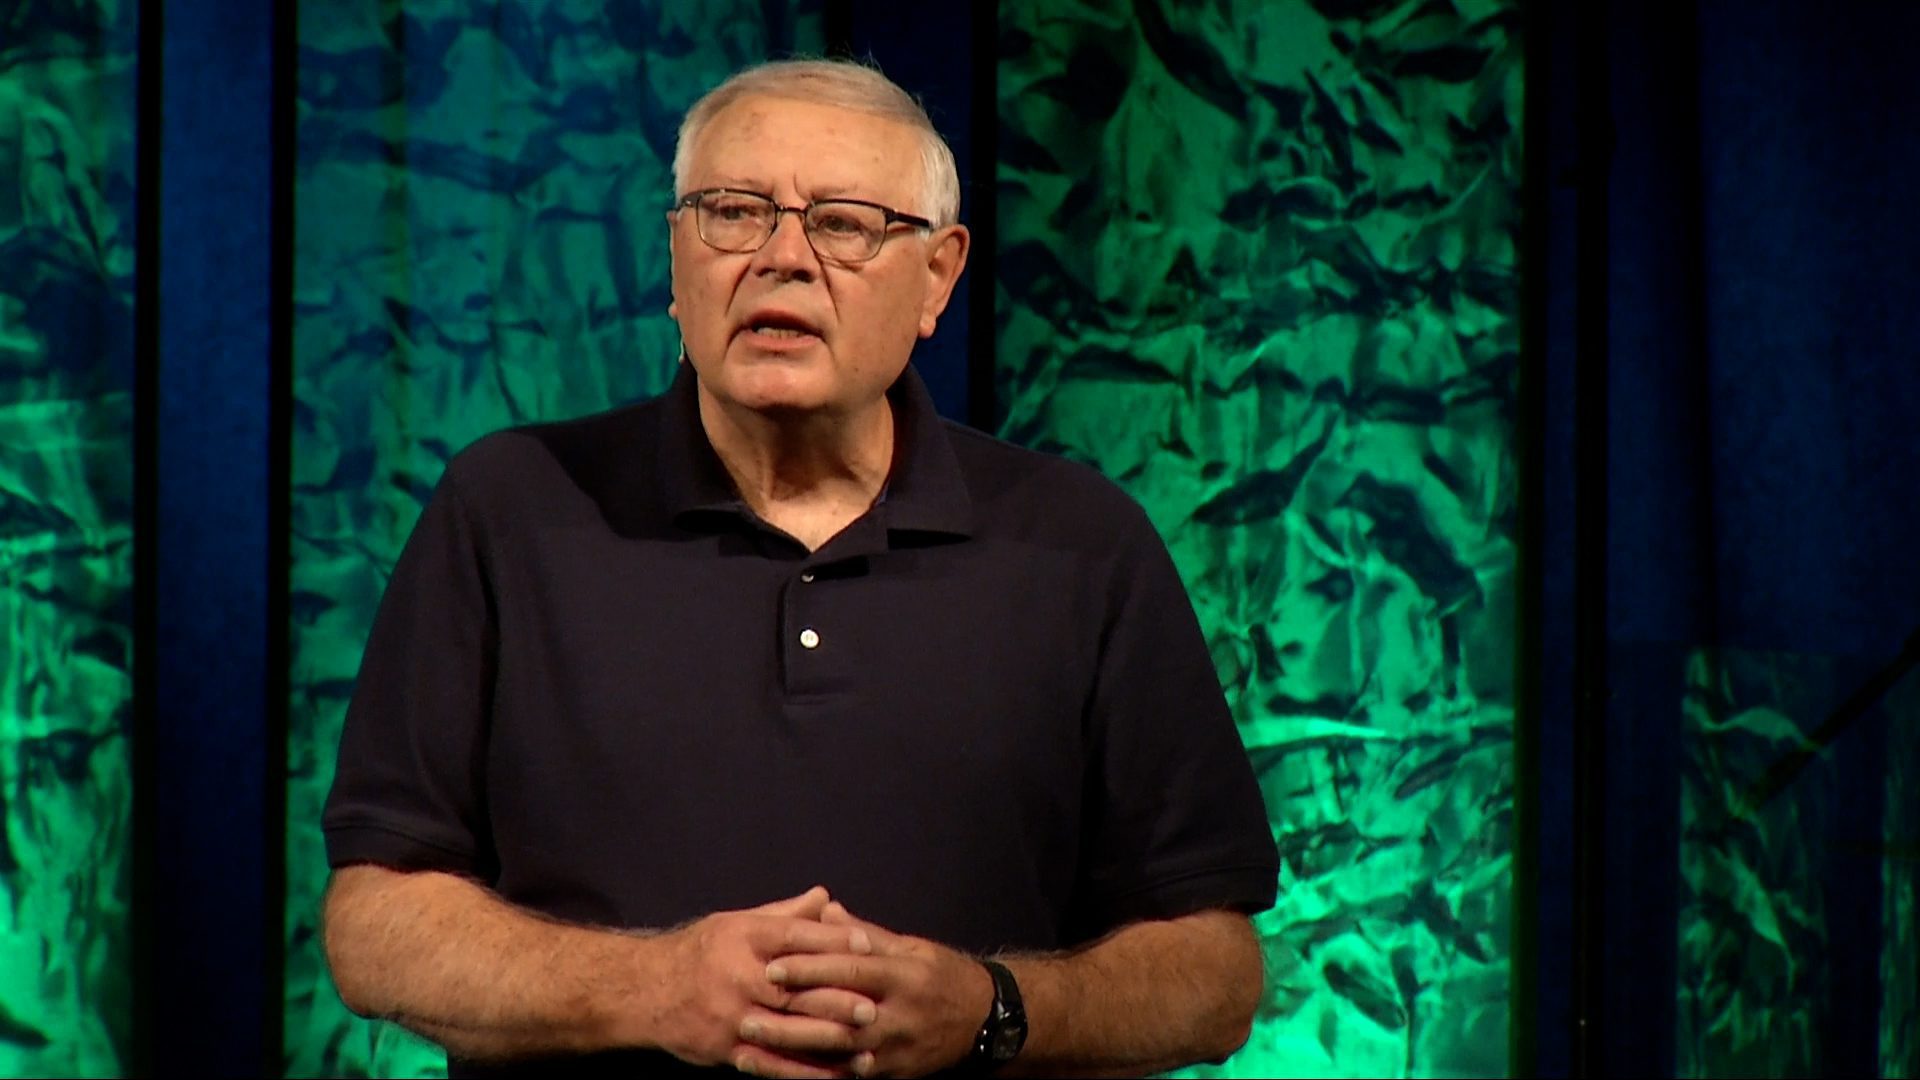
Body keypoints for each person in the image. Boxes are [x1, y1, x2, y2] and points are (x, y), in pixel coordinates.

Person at [321, 58, 1278, 1079]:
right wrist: (652, 988)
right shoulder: (508, 509)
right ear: (678, 259)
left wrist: (989, 1010)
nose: (782, 259)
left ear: (939, 276)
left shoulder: (1083, 546)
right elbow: (375, 921)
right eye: (734, 213)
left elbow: (1213, 971)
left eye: (844, 223)